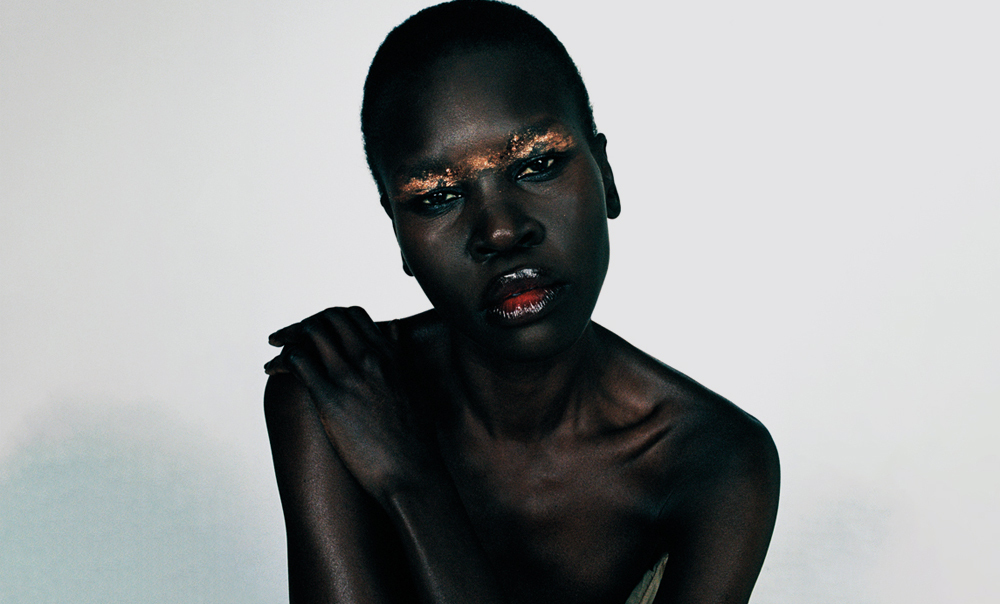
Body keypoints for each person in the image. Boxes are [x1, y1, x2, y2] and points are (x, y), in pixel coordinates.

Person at [263, 1, 779, 602]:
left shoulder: (713, 461)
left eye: (538, 164)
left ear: (607, 176)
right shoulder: (340, 391)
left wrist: (412, 483)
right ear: (398, 234)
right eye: (436, 197)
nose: (501, 231)